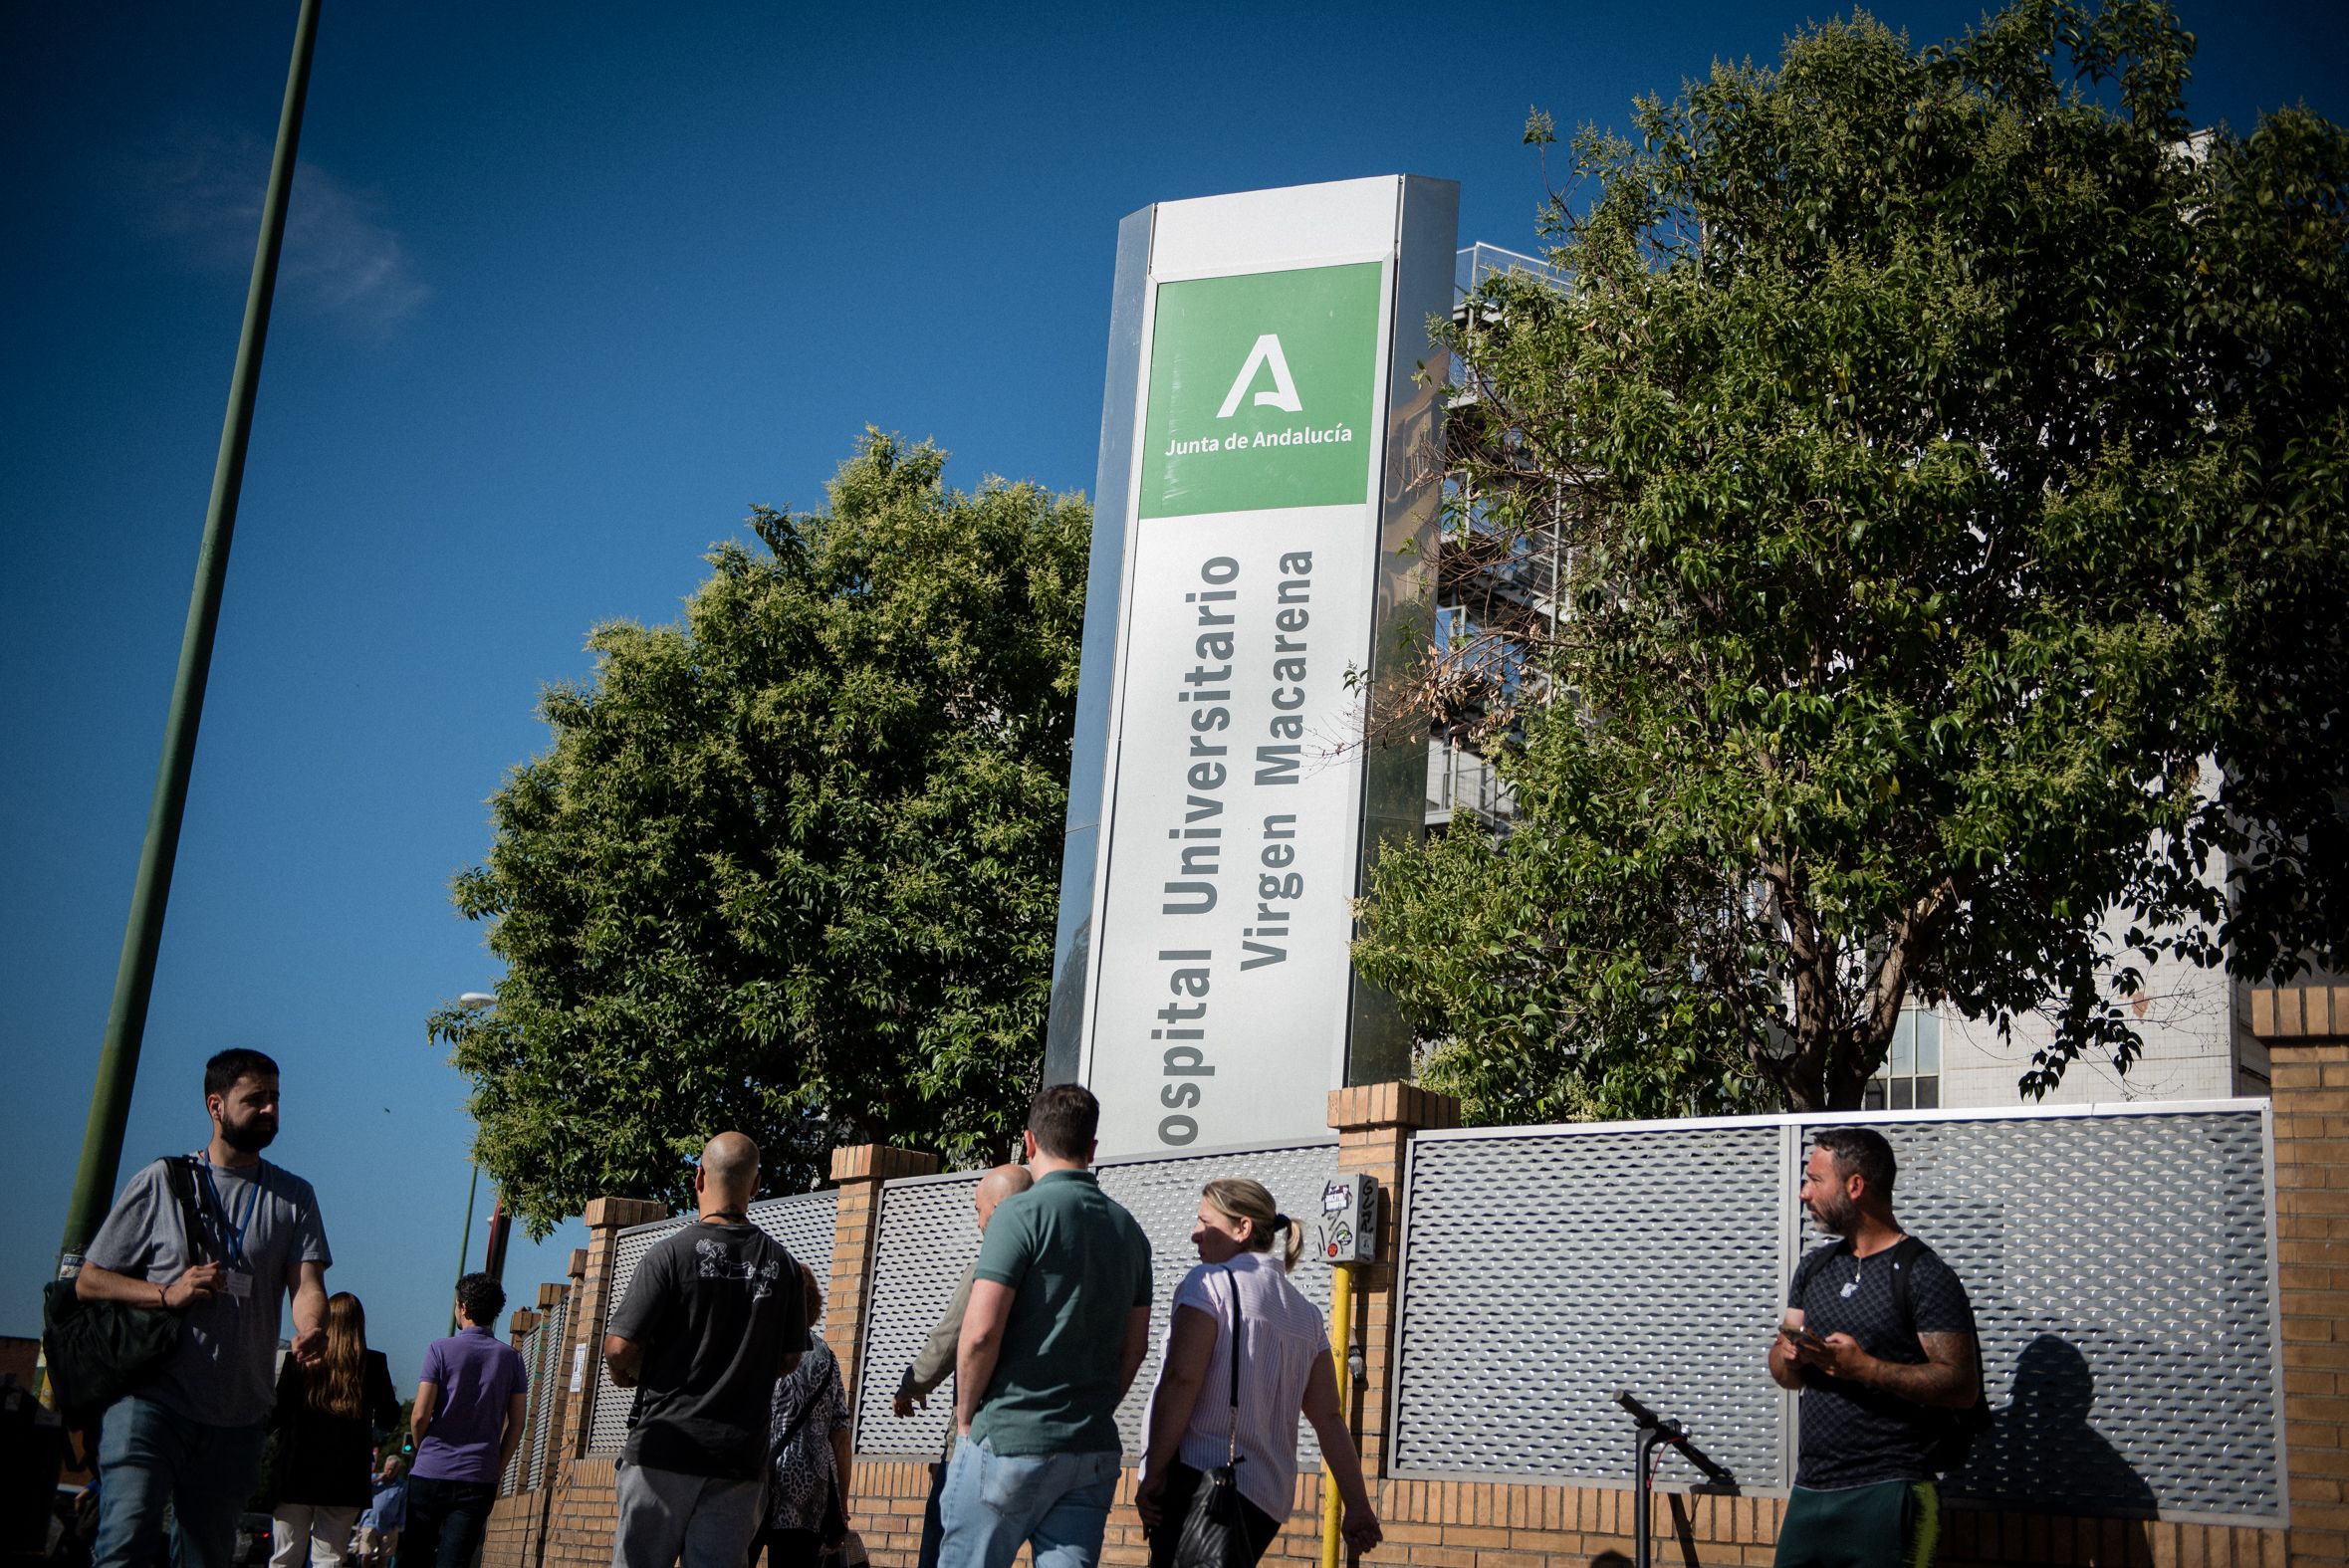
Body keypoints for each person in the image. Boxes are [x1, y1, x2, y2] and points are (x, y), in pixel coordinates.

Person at [76, 1047, 332, 1568]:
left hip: (238, 1415)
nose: (269, 1111)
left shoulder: (293, 1197)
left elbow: (306, 1283)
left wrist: (311, 1327)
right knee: (125, 1546)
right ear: (216, 1106)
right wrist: (166, 1294)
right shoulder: (162, 1182)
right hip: (150, 1402)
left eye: (275, 1099)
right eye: (254, 1099)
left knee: (207, 1556)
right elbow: (90, 1279)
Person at [941, 1085, 1153, 1568]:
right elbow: (1135, 1347)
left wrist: (968, 1419)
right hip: (1090, 1451)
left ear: (1029, 1142)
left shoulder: (1017, 1214)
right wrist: (1093, 1407)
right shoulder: (1130, 1231)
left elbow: (979, 1332)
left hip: (1010, 1438)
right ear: (1092, 1149)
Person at [1137, 1179, 1380, 1567]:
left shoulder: (1210, 1284)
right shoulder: (1307, 1314)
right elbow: (1329, 1418)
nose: (1195, 1235)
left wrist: (1153, 1471)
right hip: (1266, 1500)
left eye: (1205, 1222)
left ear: (1242, 1228)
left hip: (1202, 1481)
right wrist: (1357, 1505)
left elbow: (1182, 1379)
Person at [1767, 1127, 1981, 1568]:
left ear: (1856, 1186)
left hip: (1891, 1490)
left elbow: (1961, 1386)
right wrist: (1789, 1356)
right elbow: (1784, 1373)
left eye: (1814, 1180)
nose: (1804, 1193)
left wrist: (1863, 1368)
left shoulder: (1924, 1274)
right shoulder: (1815, 1268)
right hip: (1811, 1490)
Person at [604, 1132, 808, 1568]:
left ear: (698, 1177)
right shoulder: (785, 1266)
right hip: (739, 1458)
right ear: (755, 1186)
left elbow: (620, 1347)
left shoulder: (668, 1255)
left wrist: (627, 1373)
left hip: (663, 1448)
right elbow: (791, 1358)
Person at [892, 1165, 1033, 1568]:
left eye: (979, 1210)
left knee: (943, 1541)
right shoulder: (1058, 1267)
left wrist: (911, 1386)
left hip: (981, 1434)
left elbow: (953, 1337)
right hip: (1042, 1441)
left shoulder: (990, 1268)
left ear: (1001, 1210)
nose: (978, 1222)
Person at [400, 1272, 530, 1568]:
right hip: (478, 1475)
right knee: (456, 1560)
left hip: (431, 1469)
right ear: (495, 1312)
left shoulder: (439, 1350)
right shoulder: (512, 1359)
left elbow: (420, 1414)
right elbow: (517, 1422)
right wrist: (497, 1466)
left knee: (415, 1556)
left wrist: (423, 1449)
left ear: (463, 1308)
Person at [270, 1291, 400, 1567]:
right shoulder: (373, 1364)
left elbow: (276, 1413)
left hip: (295, 1471)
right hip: (344, 1476)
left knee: (284, 1557)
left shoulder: (300, 1360)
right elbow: (390, 1418)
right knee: (330, 1558)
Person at [749, 1262, 852, 1568]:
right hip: (808, 1490)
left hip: (754, 1480)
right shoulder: (826, 1357)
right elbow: (841, 1436)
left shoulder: (757, 1346)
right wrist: (841, 1506)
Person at [355, 1456, 407, 1568]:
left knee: (384, 1556)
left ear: (397, 1470)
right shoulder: (374, 1479)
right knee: (366, 1553)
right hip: (370, 1522)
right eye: (387, 1468)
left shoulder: (401, 1485)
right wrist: (378, 1480)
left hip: (389, 1525)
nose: (388, 1471)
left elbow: (403, 1505)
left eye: (392, 1469)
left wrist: (400, 1524)